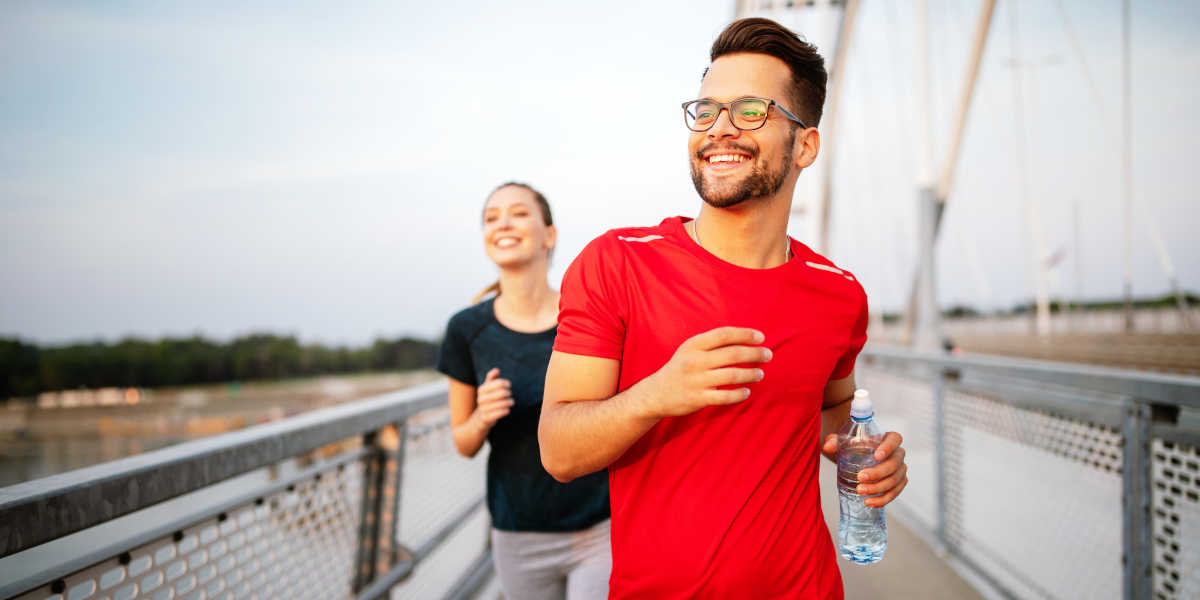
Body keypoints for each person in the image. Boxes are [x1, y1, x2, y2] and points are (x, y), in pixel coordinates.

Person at [538, 18, 909, 598]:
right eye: (706, 110)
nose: (719, 130)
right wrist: (655, 394)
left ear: (805, 145)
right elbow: (558, 451)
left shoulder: (839, 293)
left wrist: (866, 450)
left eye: (751, 111)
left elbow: (834, 408)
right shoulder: (616, 263)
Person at [437, 182, 612, 600]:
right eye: (491, 218)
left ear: (549, 235)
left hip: (599, 527)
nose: (503, 224)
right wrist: (482, 417)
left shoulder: (587, 313)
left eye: (518, 213)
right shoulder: (466, 329)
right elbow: (462, 442)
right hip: (518, 533)